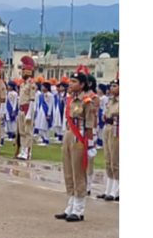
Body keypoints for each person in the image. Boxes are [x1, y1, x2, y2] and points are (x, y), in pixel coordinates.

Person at [55, 66, 96, 222]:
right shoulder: (71, 99)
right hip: (68, 135)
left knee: (78, 172)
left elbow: (90, 125)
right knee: (68, 171)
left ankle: (79, 209)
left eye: (74, 81)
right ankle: (70, 205)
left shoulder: (87, 101)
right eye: (70, 81)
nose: (70, 84)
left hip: (80, 138)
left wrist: (90, 145)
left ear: (82, 85)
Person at [98, 77, 119, 201]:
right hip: (108, 127)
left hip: (117, 128)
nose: (112, 88)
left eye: (115, 86)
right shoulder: (110, 101)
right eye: (111, 86)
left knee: (115, 160)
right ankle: (108, 188)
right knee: (108, 158)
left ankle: (116, 190)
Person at [16, 56, 37, 160]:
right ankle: (22, 149)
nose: (22, 72)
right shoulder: (22, 83)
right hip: (21, 109)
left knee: (28, 131)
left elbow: (32, 99)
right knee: (22, 131)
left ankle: (27, 151)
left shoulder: (31, 83)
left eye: (24, 70)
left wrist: (29, 113)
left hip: (27, 108)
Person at [35, 82, 54, 146]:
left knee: (45, 126)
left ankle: (46, 140)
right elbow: (38, 104)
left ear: (46, 87)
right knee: (40, 126)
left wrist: (48, 114)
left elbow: (51, 105)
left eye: (43, 87)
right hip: (40, 111)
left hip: (46, 111)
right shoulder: (41, 95)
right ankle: (43, 139)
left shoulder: (50, 95)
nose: (42, 88)